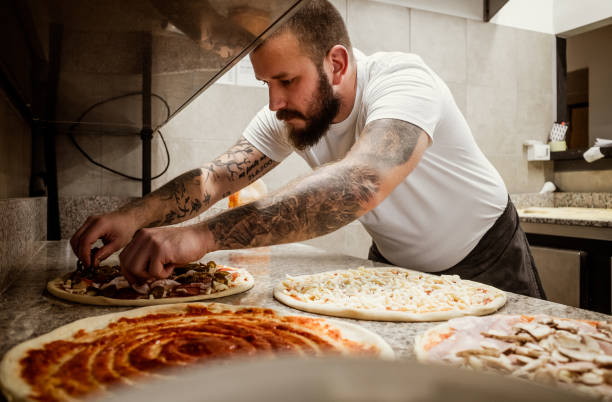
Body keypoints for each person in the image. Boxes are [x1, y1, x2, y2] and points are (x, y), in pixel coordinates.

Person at [71, 0, 545, 298]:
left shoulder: (405, 81)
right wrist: (135, 215)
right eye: (266, 83)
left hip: (489, 259)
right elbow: (215, 178)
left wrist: (202, 237)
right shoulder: (292, 112)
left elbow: (360, 182)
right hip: (397, 265)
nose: (274, 102)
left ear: (336, 63)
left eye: (286, 80)